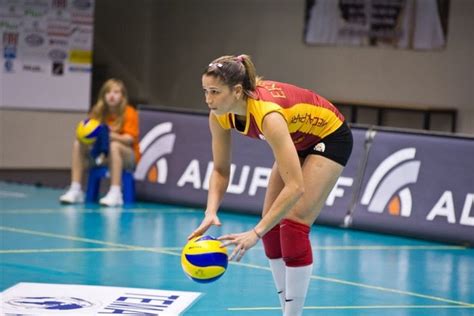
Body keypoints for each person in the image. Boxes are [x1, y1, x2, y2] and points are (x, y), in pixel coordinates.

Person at [188, 55, 353, 316]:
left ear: (237, 91)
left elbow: (295, 187)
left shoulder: (268, 115)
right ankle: (285, 310)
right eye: (205, 91)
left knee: (293, 224)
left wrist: (254, 233)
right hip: (299, 138)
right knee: (271, 226)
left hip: (330, 136)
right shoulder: (218, 115)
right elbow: (220, 170)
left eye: (215, 92)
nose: (208, 99)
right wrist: (210, 211)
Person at [59, 78, 140, 207]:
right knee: (78, 144)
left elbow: (129, 139)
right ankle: (76, 189)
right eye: (108, 92)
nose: (111, 96)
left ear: (123, 96)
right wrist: (84, 134)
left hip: (127, 156)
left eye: (116, 92)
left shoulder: (129, 112)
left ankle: (115, 192)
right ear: (103, 95)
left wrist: (108, 135)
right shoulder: (97, 111)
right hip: (102, 154)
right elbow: (89, 134)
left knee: (114, 146)